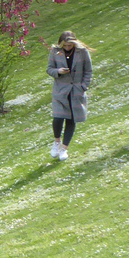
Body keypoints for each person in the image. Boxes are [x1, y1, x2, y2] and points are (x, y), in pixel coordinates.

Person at [48, 29, 93, 161]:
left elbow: (88, 70)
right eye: (65, 46)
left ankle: (64, 148)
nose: (67, 48)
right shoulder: (55, 52)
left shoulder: (82, 52)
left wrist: (83, 86)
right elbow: (49, 69)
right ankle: (57, 142)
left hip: (76, 91)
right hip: (60, 91)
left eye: (70, 45)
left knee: (71, 120)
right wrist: (58, 71)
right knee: (57, 118)